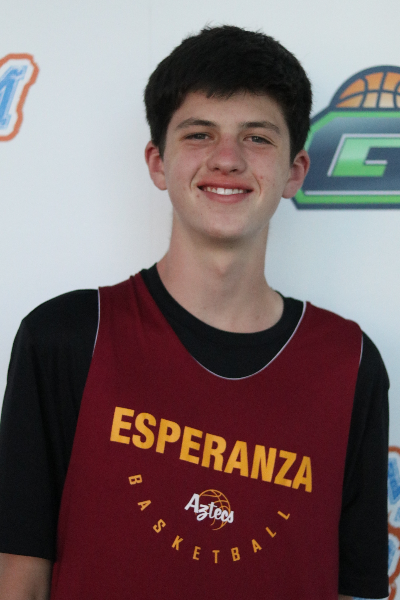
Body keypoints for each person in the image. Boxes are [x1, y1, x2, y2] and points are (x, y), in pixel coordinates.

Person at [0, 25, 389, 600]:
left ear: (295, 171)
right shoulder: (68, 337)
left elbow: (357, 588)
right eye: (200, 134)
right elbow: (19, 577)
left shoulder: (349, 363)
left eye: (257, 137)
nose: (227, 159)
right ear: (158, 163)